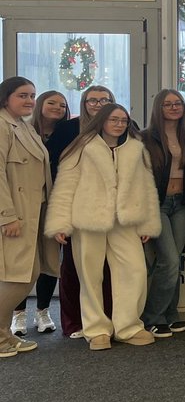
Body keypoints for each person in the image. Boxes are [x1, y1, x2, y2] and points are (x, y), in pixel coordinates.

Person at [45, 102, 160, 351]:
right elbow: (65, 186)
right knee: (90, 276)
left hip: (125, 221)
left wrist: (148, 223)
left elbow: (146, 188)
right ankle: (96, 330)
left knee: (135, 272)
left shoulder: (137, 149)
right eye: (114, 120)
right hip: (87, 220)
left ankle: (128, 326)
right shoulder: (81, 147)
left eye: (123, 120)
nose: (119, 124)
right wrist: (60, 223)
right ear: (102, 121)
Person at [45, 83, 116, 339]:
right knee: (74, 268)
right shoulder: (67, 129)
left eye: (104, 100)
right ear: (84, 103)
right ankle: (75, 322)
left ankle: (107, 319)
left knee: (108, 267)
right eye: (92, 100)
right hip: (77, 207)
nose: (98, 104)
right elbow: (57, 172)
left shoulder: (121, 126)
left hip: (112, 209)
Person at [0, 78, 52, 358]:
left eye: (32, 95)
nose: (29, 101)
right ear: (6, 97)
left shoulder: (23, 126)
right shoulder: (1, 125)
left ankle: (5, 335)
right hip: (14, 213)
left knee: (27, 274)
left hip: (33, 211)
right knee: (17, 278)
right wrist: (6, 215)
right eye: (22, 95)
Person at [11, 90, 68, 337]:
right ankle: (18, 314)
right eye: (51, 102)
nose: (58, 107)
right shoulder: (21, 130)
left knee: (49, 259)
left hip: (54, 203)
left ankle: (43, 311)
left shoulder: (68, 134)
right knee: (22, 260)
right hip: (24, 203)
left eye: (62, 104)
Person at [139, 89, 185, 338]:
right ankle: (152, 316)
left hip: (182, 203)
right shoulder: (146, 137)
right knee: (169, 260)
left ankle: (171, 314)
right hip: (158, 203)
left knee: (175, 259)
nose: (173, 107)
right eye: (168, 104)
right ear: (158, 108)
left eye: (178, 103)